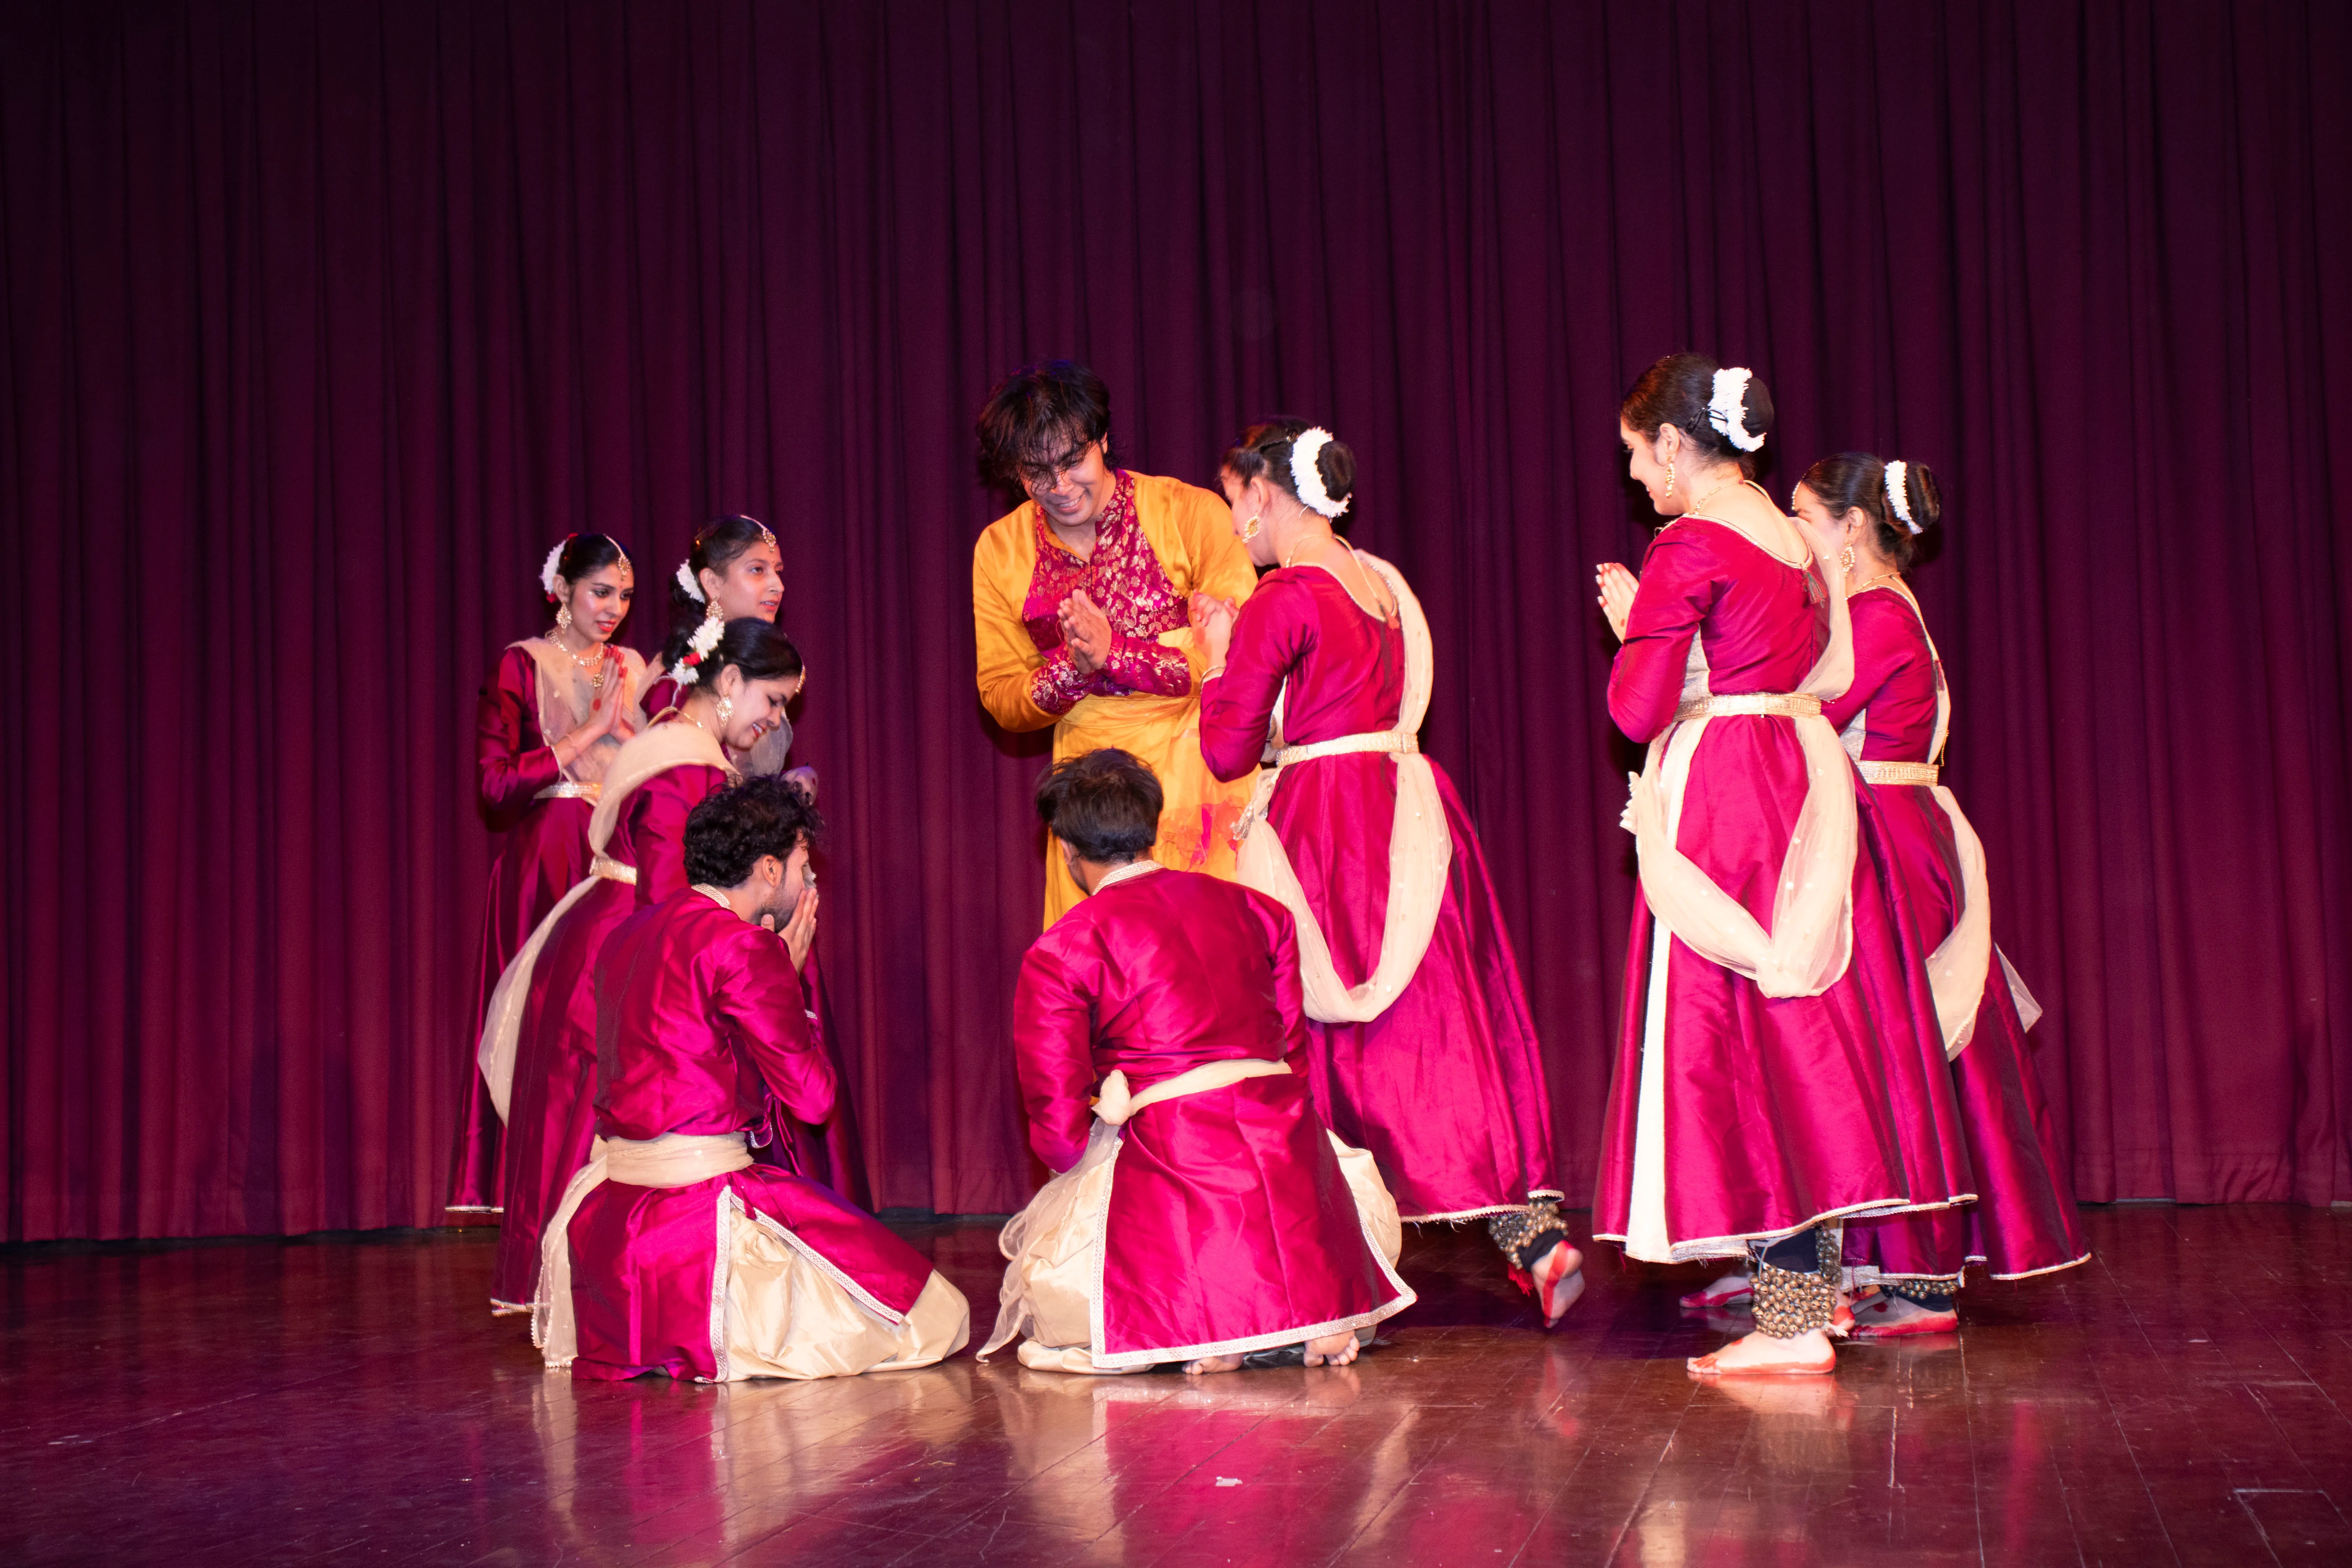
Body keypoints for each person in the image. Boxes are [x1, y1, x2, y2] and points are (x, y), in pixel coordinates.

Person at [1590, 355, 1972, 1376]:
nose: (1636, 478)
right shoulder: (1800, 542)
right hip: (1803, 781)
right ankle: (1805, 1302)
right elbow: (1821, 670)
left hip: (1728, 793)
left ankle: (1798, 1319)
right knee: (1800, 1033)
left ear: (1673, 442)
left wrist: (1637, 633)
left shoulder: (1692, 543)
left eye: (1638, 455)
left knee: (1734, 1038)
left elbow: (1635, 710)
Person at [1192, 421, 1581, 1324]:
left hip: (1328, 822)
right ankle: (1527, 1231)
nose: (1232, 523)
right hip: (1409, 808)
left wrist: (1218, 659)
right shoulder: (1386, 586)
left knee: (1333, 1034)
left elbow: (1224, 750)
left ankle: (1333, 1247)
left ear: (1262, 492)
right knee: (1441, 1018)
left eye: (1231, 499)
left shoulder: (1284, 598)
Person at [980, 750, 1413, 1374]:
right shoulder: (1261, 913)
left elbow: (1055, 1119)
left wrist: (1084, 1153)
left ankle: (1215, 1331)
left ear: (1067, 850)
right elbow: (1292, 1054)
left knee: (1057, 1307)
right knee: (1278, 1169)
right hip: (1281, 1141)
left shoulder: (1063, 950)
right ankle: (1302, 1316)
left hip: (1177, 1146)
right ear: (1150, 825)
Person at [537, 776, 969, 1380]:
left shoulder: (624, 938)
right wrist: (788, 986)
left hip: (610, 1234)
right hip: (695, 1232)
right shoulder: (742, 947)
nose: (809, 885)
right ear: (769, 869)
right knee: (936, 1316)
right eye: (803, 868)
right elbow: (813, 1101)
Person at [1795, 452, 2089, 1333]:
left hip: (1886, 839)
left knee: (1900, 1048)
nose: (1794, 530)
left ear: (1851, 528)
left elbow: (1796, 701)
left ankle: (1916, 1277)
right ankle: (1875, 1264)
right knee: (1888, 1049)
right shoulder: (1870, 610)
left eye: (1805, 513)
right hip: (1882, 829)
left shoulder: (1877, 614)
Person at [477, 620, 805, 1316]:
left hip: (598, 934)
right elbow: (672, 905)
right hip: (622, 947)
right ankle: (603, 1292)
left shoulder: (666, 733)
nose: (776, 720)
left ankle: (577, 1287)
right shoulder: (688, 766)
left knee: (571, 1123)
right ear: (730, 682)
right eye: (772, 701)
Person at [971, 360, 1261, 926]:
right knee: (1105, 966)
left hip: (1198, 763)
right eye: (1035, 473)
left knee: (1208, 950)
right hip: (1089, 793)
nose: (1058, 488)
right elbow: (1001, 695)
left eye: (1072, 461)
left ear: (1103, 439)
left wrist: (1117, 655)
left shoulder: (1188, 512)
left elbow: (1245, 650)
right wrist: (1076, 670)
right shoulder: (1000, 551)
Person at [449, 535, 642, 1215]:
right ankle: (529, 1188)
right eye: (600, 591)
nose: (614, 607)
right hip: (547, 860)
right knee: (541, 1025)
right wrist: (588, 734)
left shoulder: (631, 666)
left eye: (624, 594)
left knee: (618, 1017)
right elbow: (495, 786)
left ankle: (612, 1174)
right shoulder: (520, 665)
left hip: (616, 858)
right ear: (560, 590)